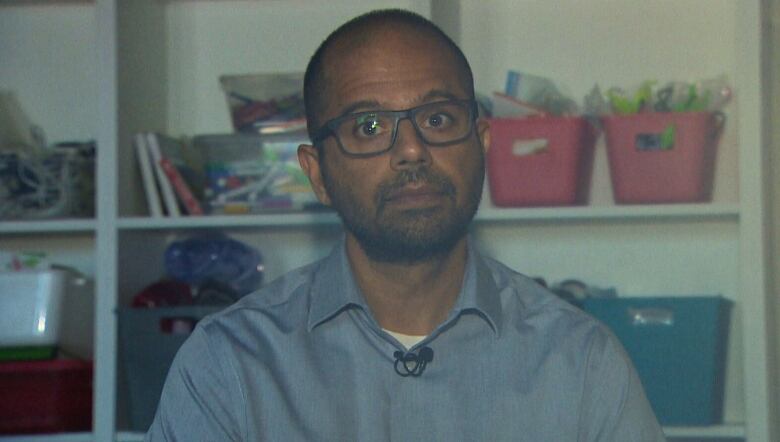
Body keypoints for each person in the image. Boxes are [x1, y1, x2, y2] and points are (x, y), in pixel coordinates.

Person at [146, 9, 665, 441]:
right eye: (368, 127)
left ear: (481, 145)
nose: (412, 149)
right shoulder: (229, 363)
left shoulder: (581, 363)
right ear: (317, 173)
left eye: (438, 119)